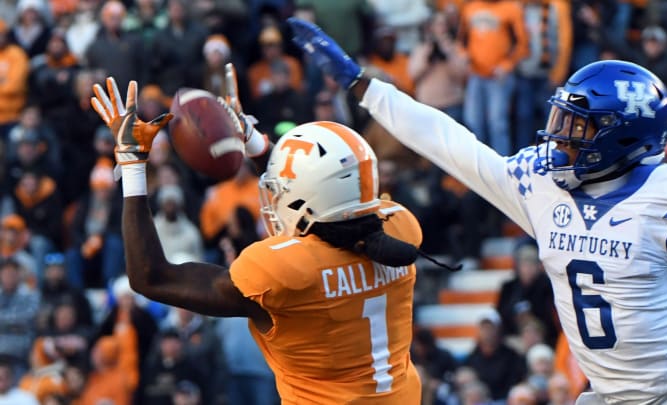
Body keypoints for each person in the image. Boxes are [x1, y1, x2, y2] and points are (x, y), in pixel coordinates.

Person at [289, 17, 667, 404]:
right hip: (608, 396)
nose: (560, 140)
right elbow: (451, 144)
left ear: (622, 137)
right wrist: (367, 87)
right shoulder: (542, 184)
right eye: (562, 123)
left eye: (577, 129)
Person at [90, 64, 429, 403]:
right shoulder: (401, 227)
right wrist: (252, 141)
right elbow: (320, 198)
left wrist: (133, 165)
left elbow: (151, 277)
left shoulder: (287, 273)